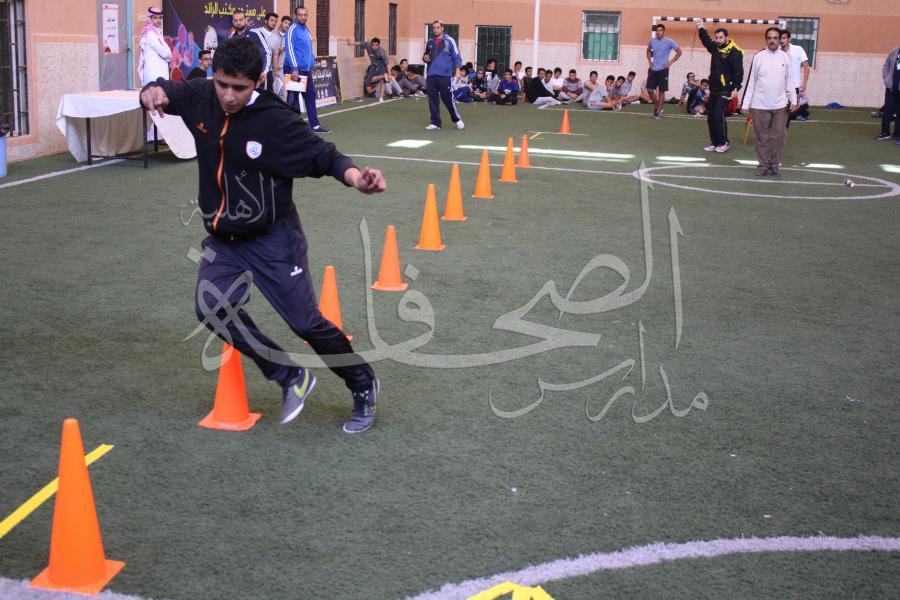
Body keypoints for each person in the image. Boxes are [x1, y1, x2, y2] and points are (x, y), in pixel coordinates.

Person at [139, 37, 385, 433]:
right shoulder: (202, 96)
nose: (228, 96)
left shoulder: (277, 121)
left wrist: (358, 179)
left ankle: (362, 382)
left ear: (257, 81)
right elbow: (164, 90)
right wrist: (149, 92)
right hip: (224, 238)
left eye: (239, 88)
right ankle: (289, 376)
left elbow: (325, 156)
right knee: (211, 307)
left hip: (273, 237)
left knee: (305, 324)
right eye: (222, 84)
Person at [741, 27, 798, 176]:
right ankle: (763, 166)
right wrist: (745, 104)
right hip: (759, 105)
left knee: (778, 136)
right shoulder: (758, 57)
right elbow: (751, 81)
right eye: (769, 38)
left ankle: (774, 164)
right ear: (766, 40)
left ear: (779, 40)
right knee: (761, 138)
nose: (772, 40)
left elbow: (790, 80)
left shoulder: (785, 57)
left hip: (781, 106)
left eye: (775, 38)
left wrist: (793, 99)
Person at [697, 22, 743, 152]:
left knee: (718, 115)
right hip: (714, 89)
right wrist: (701, 28)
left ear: (726, 37)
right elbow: (706, 41)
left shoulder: (734, 52)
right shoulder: (716, 48)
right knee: (711, 116)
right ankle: (715, 143)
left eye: (720, 37)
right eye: (716, 37)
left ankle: (724, 143)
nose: (718, 40)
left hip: (726, 89)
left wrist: (735, 88)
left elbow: (738, 72)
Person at [285, 6, 330, 133]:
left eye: (305, 15)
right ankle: (290, 128)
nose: (303, 17)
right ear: (295, 16)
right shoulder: (292, 29)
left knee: (310, 96)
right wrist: (294, 68)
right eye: (300, 15)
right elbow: (290, 50)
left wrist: (312, 62)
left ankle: (315, 126)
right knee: (293, 100)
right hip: (295, 70)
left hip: (306, 70)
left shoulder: (306, 29)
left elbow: (308, 49)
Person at [423, 20, 464, 130]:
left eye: (437, 27)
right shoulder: (430, 42)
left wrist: (458, 71)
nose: (435, 30)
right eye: (434, 28)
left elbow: (457, 57)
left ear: (442, 28)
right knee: (432, 99)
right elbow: (426, 56)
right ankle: (435, 123)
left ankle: (457, 119)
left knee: (447, 98)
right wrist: (425, 58)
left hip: (445, 76)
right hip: (431, 75)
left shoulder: (449, 41)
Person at [646, 24, 682, 118]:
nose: (658, 32)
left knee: (662, 91)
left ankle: (657, 112)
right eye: (657, 30)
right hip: (653, 69)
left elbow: (679, 51)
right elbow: (648, 50)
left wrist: (670, 62)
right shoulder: (652, 41)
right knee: (649, 90)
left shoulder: (669, 41)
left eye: (660, 30)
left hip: (663, 69)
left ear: (663, 31)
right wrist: (650, 61)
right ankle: (658, 107)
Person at [779, 30, 811, 121]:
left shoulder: (798, 49)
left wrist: (804, 84)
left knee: (789, 114)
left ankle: (803, 109)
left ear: (789, 39)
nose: (781, 40)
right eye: (780, 38)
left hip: (794, 87)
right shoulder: (776, 51)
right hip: (779, 87)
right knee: (779, 112)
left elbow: (806, 67)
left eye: (784, 38)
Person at [138, 7, 171, 86]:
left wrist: (168, 55)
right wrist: (168, 55)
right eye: (155, 18)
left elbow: (168, 53)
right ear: (150, 19)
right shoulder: (150, 34)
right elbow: (165, 53)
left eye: (160, 18)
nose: (158, 20)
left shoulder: (157, 33)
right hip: (154, 73)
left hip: (159, 72)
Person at [250, 12, 280, 90]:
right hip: (256, 68)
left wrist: (276, 71)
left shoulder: (276, 38)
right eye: (272, 20)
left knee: (268, 92)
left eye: (275, 21)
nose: (274, 23)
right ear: (266, 21)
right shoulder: (256, 32)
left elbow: (275, 55)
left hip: (268, 70)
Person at [876, 45, 900, 143]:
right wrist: (886, 78)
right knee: (887, 111)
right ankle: (885, 133)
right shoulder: (895, 50)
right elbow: (886, 64)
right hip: (891, 88)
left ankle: (898, 135)